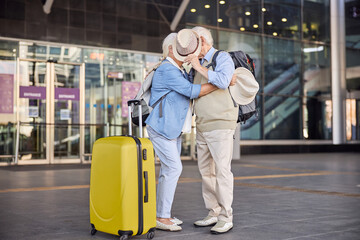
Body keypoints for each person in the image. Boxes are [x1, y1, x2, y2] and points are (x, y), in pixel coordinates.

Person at [145, 30, 218, 232]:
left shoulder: (178, 69)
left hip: (171, 129)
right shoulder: (168, 70)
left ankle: (162, 214)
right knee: (174, 168)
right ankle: (162, 216)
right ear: (171, 48)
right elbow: (191, 91)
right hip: (161, 128)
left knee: (168, 171)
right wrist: (219, 82)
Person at [184, 26, 237, 234]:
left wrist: (197, 66)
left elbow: (224, 81)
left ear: (203, 41)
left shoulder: (222, 58)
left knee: (222, 171)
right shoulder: (199, 65)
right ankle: (213, 212)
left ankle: (226, 216)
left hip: (221, 123)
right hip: (203, 124)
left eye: (194, 43)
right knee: (207, 172)